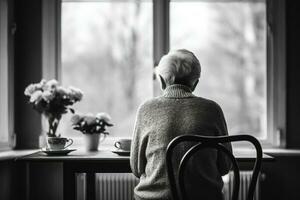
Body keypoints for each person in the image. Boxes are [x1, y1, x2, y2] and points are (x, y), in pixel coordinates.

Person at [130, 49, 232, 200]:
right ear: (195, 83)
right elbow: (225, 166)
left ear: (162, 80)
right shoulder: (212, 110)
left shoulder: (146, 109)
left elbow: (137, 168)